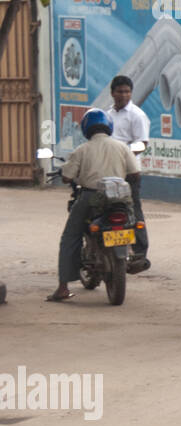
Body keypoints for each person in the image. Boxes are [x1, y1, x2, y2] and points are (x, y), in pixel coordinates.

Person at [48, 110, 143, 302]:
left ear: (86, 128)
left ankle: (63, 287)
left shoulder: (82, 150)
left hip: (91, 197)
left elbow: (67, 177)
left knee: (70, 236)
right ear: (108, 126)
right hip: (120, 197)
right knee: (134, 220)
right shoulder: (122, 147)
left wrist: (70, 173)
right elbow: (135, 173)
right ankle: (136, 253)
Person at [107, 75, 150, 267]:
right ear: (112, 93)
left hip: (129, 171)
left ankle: (140, 251)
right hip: (108, 171)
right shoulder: (107, 115)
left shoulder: (137, 115)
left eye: (127, 91)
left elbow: (142, 144)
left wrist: (122, 153)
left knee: (133, 209)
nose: (124, 95)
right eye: (120, 91)